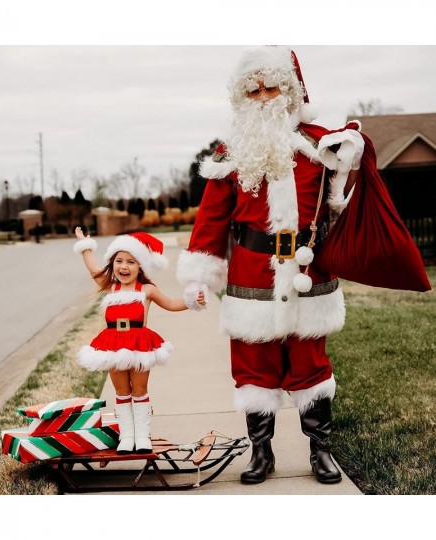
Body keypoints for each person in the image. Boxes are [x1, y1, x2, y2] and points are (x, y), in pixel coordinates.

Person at [177, 46, 430, 485]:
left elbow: (341, 203)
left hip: (307, 269)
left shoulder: (320, 141)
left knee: (310, 361)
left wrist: (353, 152)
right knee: (253, 365)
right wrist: (199, 275)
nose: (263, 96)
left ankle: (320, 451)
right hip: (251, 273)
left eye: (272, 86)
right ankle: (262, 452)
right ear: (242, 96)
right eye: (253, 89)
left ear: (291, 91)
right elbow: (211, 218)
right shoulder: (231, 151)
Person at [74, 228, 204, 454]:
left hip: (139, 345)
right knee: (122, 392)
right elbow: (94, 269)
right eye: (119, 261)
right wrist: (85, 246)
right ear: (113, 263)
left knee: (140, 390)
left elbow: (172, 304)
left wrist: (191, 300)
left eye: (131, 262)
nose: (124, 267)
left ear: (141, 266)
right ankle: (127, 436)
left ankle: (142, 436)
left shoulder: (147, 289)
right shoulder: (110, 285)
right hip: (113, 345)